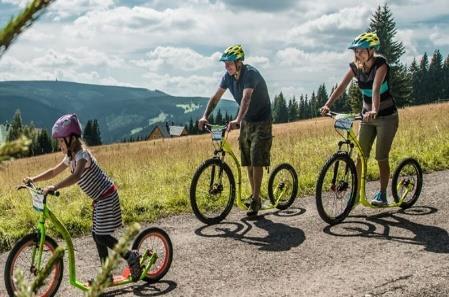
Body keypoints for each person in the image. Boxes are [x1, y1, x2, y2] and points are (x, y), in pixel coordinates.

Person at [23, 114, 142, 281]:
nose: (59, 145)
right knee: (97, 235)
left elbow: (76, 176)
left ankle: (130, 256)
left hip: (107, 196)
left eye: (60, 141)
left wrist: (54, 187)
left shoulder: (82, 155)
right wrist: (33, 179)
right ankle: (106, 274)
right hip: (100, 199)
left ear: (71, 139)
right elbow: (53, 171)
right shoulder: (70, 157)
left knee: (100, 235)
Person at [320, 32, 399, 206]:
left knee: (381, 157)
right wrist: (327, 105)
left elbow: (376, 88)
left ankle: (383, 194)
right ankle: (355, 194)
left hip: (386, 117)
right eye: (356, 51)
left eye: (362, 51)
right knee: (360, 156)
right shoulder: (355, 67)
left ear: (372, 50)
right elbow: (341, 87)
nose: (358, 54)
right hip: (367, 116)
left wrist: (375, 109)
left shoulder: (381, 65)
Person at [198, 44, 272, 216]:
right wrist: (205, 116)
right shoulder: (227, 77)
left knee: (256, 159)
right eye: (225, 63)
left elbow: (246, 98)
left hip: (262, 120)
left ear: (239, 62)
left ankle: (255, 199)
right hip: (247, 120)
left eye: (230, 63)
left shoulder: (250, 74)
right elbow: (216, 97)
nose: (226, 66)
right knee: (246, 159)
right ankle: (255, 196)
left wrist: (238, 119)